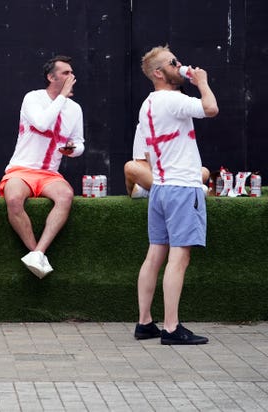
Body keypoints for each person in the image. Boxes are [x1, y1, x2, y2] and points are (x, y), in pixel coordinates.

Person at [133, 45, 218, 345]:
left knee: (155, 255)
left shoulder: (148, 104)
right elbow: (210, 109)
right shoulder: (174, 99)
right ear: (159, 72)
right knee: (178, 259)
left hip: (161, 187)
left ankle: (145, 323)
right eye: (173, 63)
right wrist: (202, 82)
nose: (180, 65)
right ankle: (171, 327)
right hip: (182, 187)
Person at [0, 56, 84, 279]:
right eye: (65, 73)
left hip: (49, 173)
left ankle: (38, 253)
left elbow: (80, 142)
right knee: (14, 199)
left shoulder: (75, 109)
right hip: (21, 169)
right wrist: (62, 97)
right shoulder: (33, 98)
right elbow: (42, 123)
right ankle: (35, 251)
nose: (71, 77)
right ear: (50, 77)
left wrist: (73, 150)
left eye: (71, 72)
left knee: (66, 195)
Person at [125, 125, 210, 198]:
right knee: (130, 167)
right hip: (154, 176)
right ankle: (188, 192)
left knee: (204, 171)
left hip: (178, 175)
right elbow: (141, 162)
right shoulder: (144, 123)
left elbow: (187, 162)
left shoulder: (181, 124)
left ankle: (149, 193)